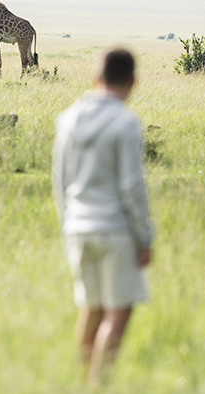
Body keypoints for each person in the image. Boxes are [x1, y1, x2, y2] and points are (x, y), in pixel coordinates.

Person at [52, 48, 154, 385]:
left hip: (77, 228)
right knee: (116, 312)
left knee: (91, 308)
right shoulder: (126, 122)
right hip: (115, 230)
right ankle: (99, 385)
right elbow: (131, 186)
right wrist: (144, 237)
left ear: (95, 78)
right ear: (133, 82)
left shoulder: (68, 118)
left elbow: (60, 182)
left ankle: (81, 383)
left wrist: (68, 224)